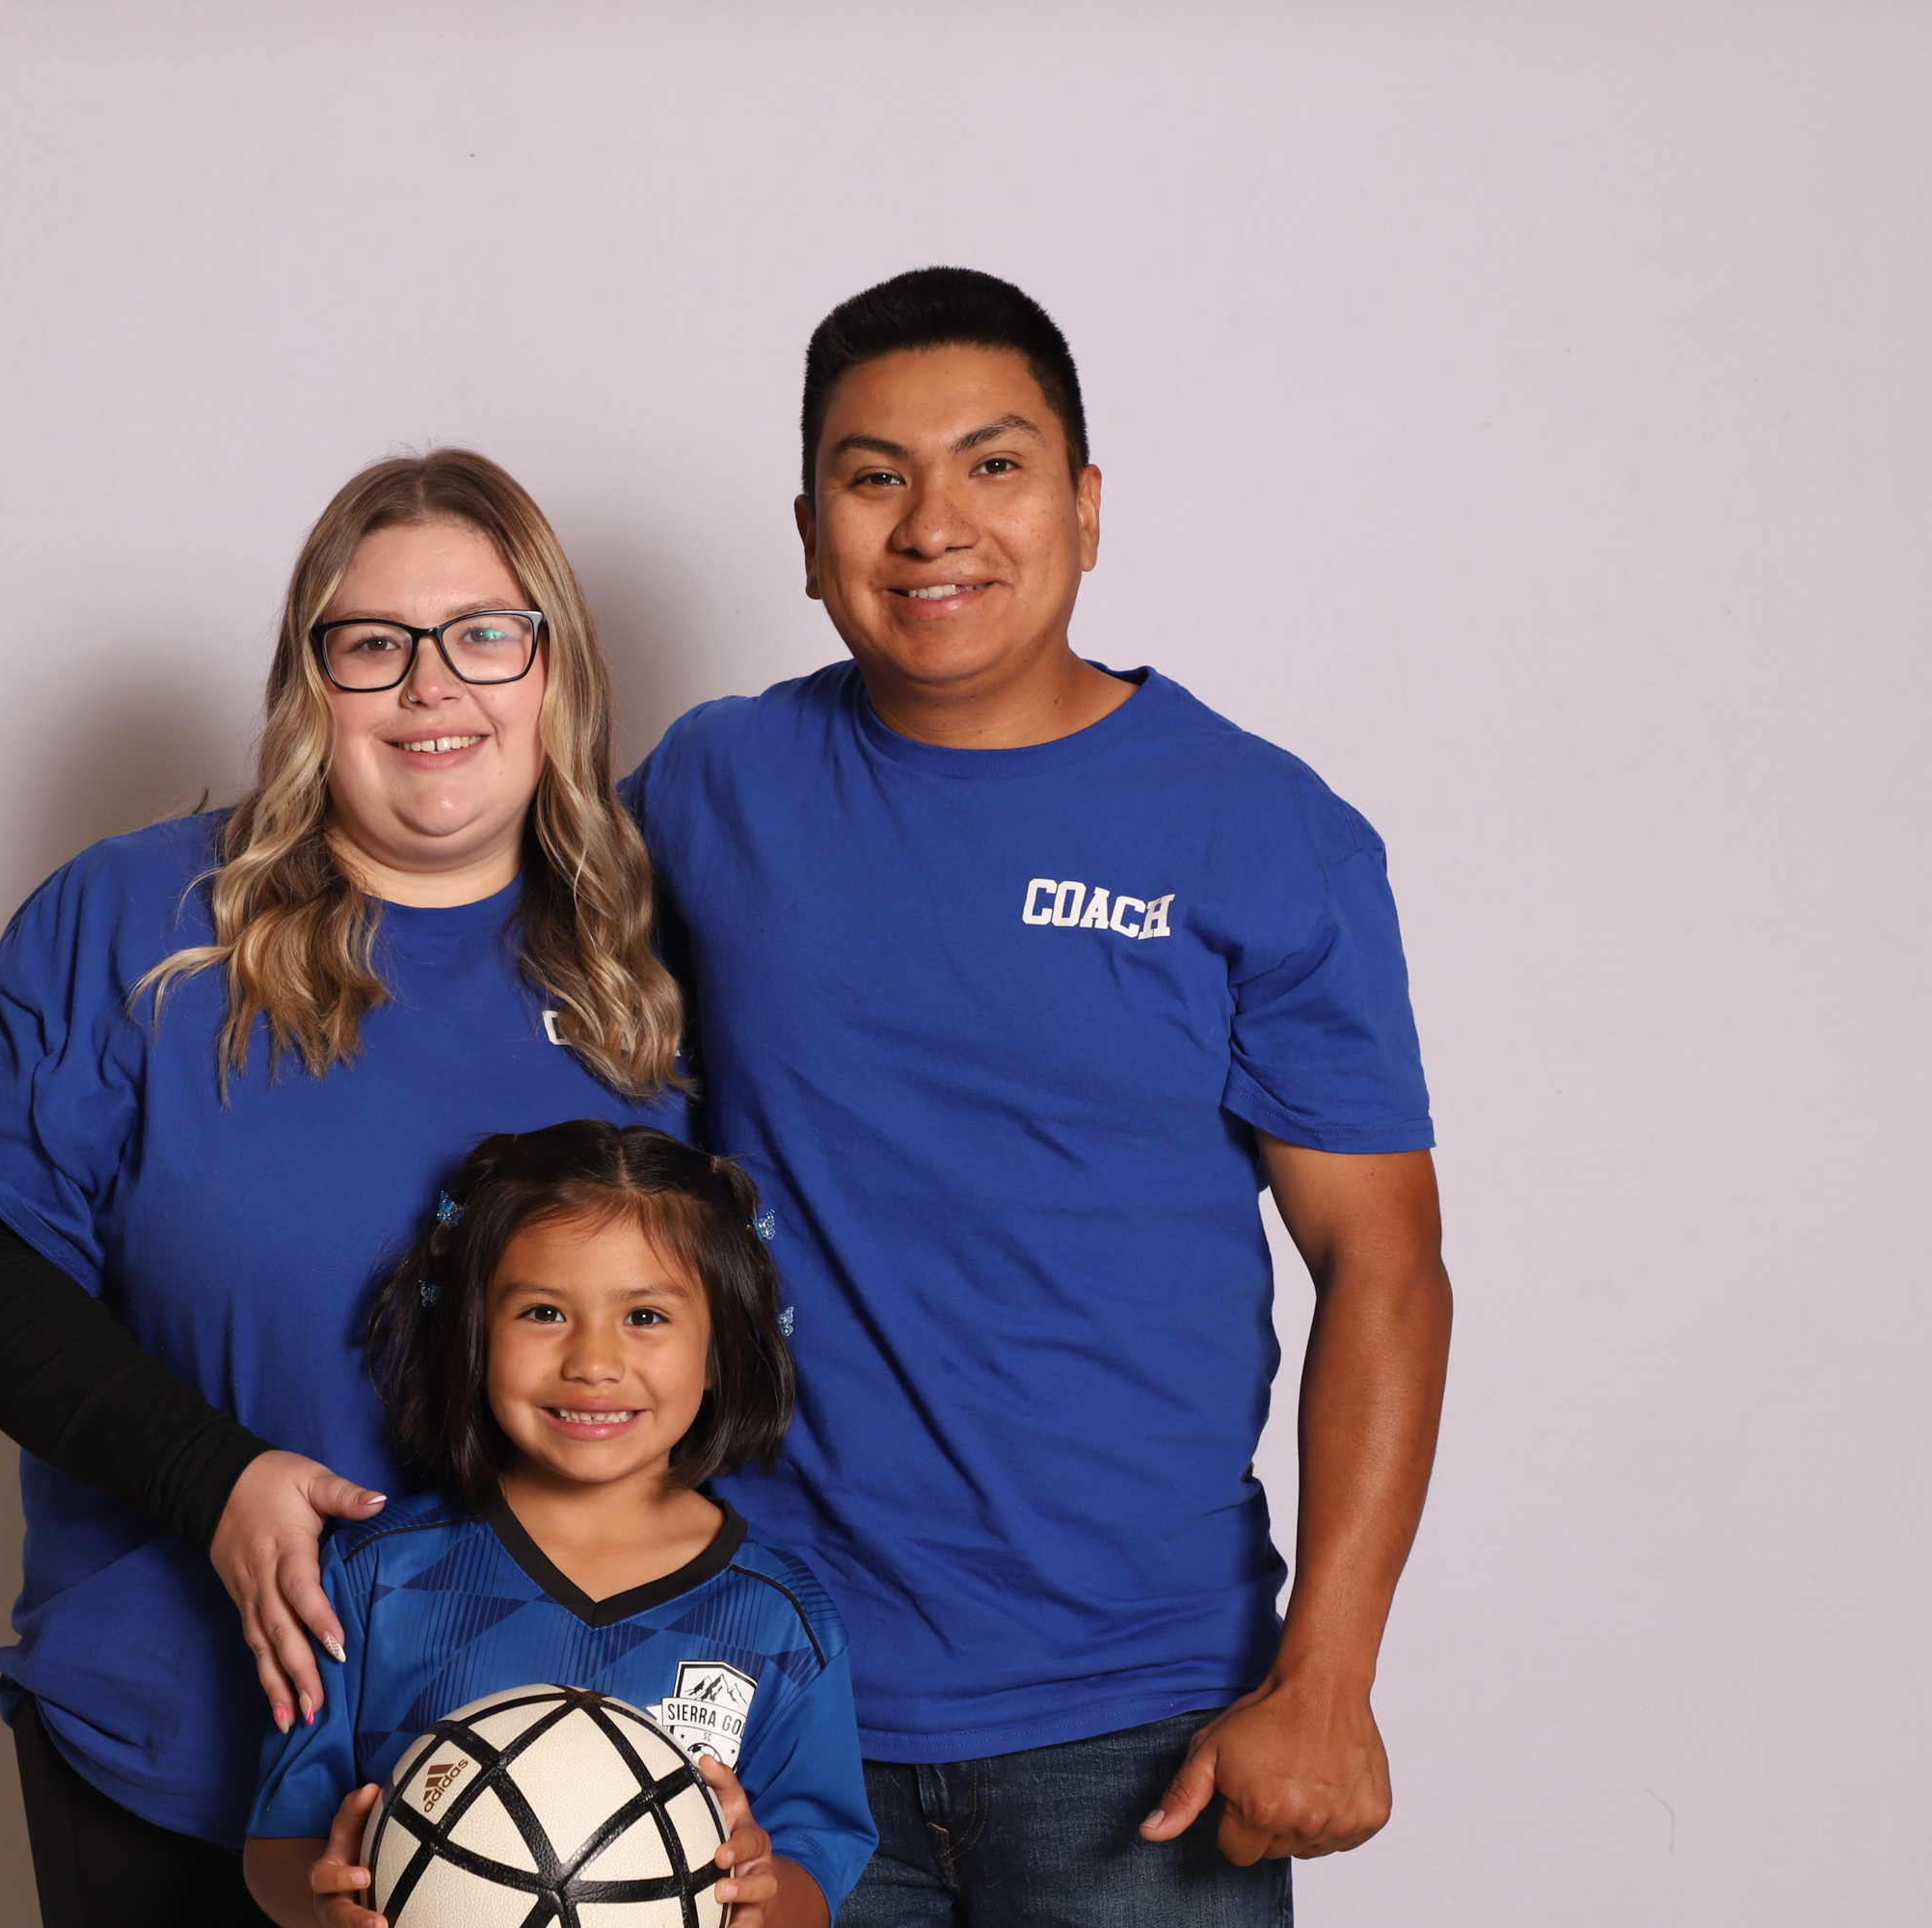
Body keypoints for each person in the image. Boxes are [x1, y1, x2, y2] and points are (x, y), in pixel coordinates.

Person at [620, 268, 1453, 1925]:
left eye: (992, 466)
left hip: (1144, 1715)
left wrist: (1329, 1675)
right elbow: (459, 942)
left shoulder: (1258, 829)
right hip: (768, 1696)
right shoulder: (716, 785)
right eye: (875, 477)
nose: (933, 525)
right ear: (809, 535)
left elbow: (1385, 1264)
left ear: (1084, 505)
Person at [0, 450, 691, 1925]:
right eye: (374, 644)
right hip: (180, 1740)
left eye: (485, 635)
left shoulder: (655, 958)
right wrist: (216, 1479)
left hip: (567, 1768)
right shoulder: (139, 920)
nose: (432, 687)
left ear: (555, 667)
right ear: (312, 682)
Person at [244, 1121, 877, 1928]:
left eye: (645, 1316)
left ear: (720, 1349)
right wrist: (320, 1897)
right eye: (544, 1311)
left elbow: (812, 1870)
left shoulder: (782, 1614)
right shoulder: (372, 1576)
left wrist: (765, 1897)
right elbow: (277, 1847)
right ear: (475, 1332)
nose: (593, 1363)